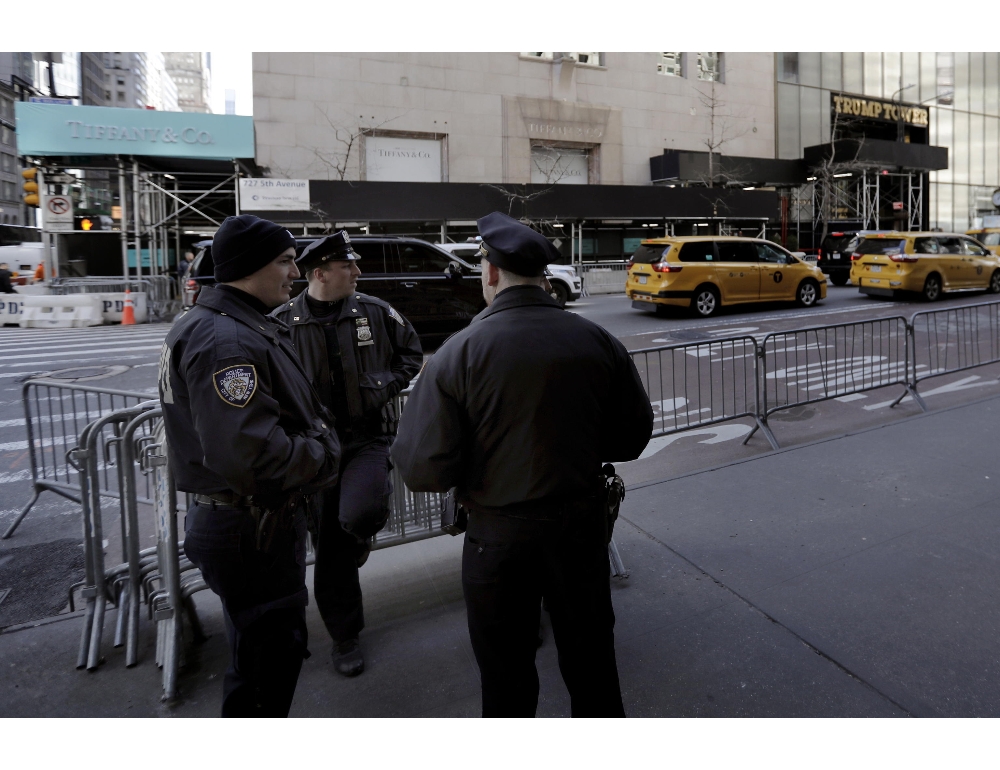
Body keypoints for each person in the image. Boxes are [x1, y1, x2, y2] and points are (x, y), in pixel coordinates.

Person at [391, 211, 654, 717]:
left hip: (498, 536)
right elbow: (633, 436)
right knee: (594, 669)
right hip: (581, 529)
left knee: (506, 680)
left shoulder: (457, 353)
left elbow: (422, 469)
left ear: (490, 273)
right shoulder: (596, 340)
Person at [158, 214, 341, 717]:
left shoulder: (228, 324)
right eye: (284, 262)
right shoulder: (227, 341)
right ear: (247, 268)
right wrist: (325, 452)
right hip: (251, 527)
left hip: (245, 524)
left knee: (256, 658)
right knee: (266, 668)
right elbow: (253, 456)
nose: (295, 273)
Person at [271, 231, 422, 676]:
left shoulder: (375, 312)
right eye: (347, 267)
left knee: (359, 514)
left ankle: (359, 535)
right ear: (320, 274)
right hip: (317, 450)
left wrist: (384, 387)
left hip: (367, 439)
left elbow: (410, 355)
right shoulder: (284, 323)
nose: (357, 272)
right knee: (332, 551)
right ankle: (344, 637)